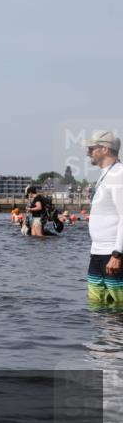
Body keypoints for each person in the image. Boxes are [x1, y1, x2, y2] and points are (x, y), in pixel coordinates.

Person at [83, 130, 123, 307]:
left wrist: (117, 254)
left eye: (92, 148)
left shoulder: (119, 175)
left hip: (113, 254)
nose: (88, 152)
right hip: (98, 252)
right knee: (96, 307)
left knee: (118, 307)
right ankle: (103, 336)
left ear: (105, 149)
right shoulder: (106, 175)